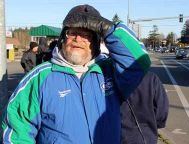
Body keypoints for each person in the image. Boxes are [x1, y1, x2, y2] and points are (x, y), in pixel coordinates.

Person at [2, 4, 150, 144]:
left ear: (96, 42)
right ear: (63, 38)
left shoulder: (109, 71)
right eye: (72, 33)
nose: (78, 39)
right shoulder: (38, 78)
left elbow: (139, 62)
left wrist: (108, 28)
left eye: (86, 35)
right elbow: (16, 133)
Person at [121, 72, 169, 144]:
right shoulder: (151, 78)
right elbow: (162, 111)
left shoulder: (109, 77)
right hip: (146, 136)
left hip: (118, 135)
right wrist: (155, 125)